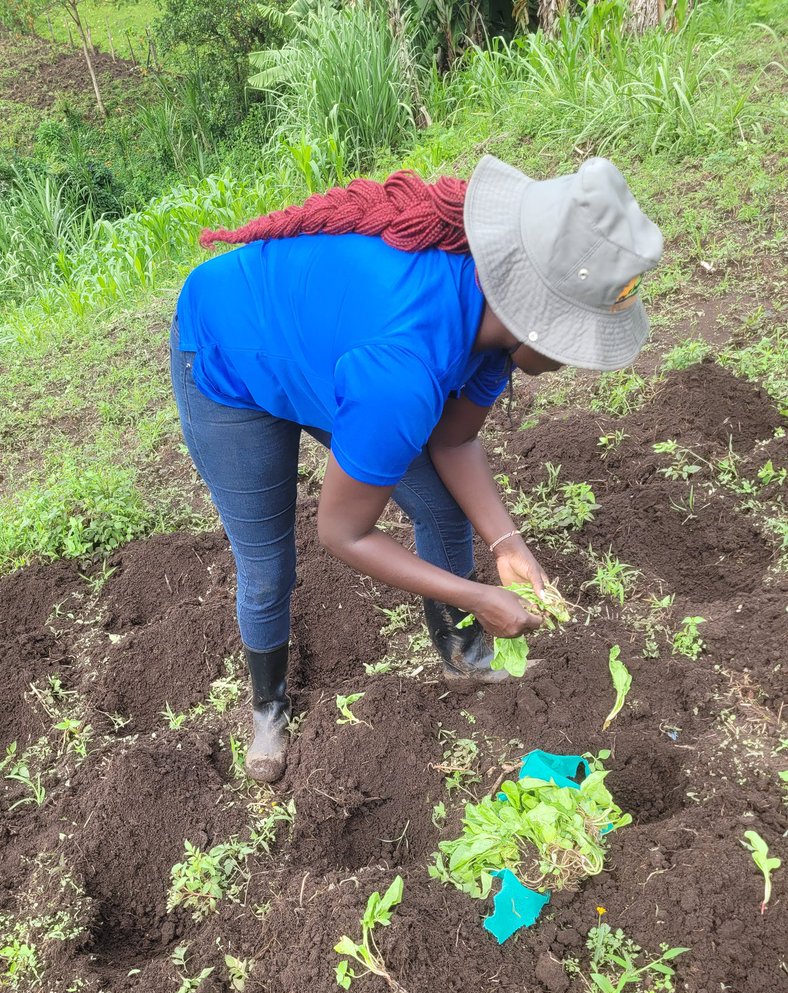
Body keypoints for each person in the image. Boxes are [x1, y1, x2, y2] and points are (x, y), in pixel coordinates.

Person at [170, 154, 663, 782]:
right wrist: (475, 592)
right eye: (574, 340)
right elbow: (342, 534)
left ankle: (460, 651)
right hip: (229, 356)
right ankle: (268, 705)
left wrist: (508, 547)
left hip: (334, 354)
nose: (578, 360)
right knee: (268, 566)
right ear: (529, 315)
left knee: (441, 506)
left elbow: (454, 445)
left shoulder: (487, 327)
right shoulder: (403, 373)